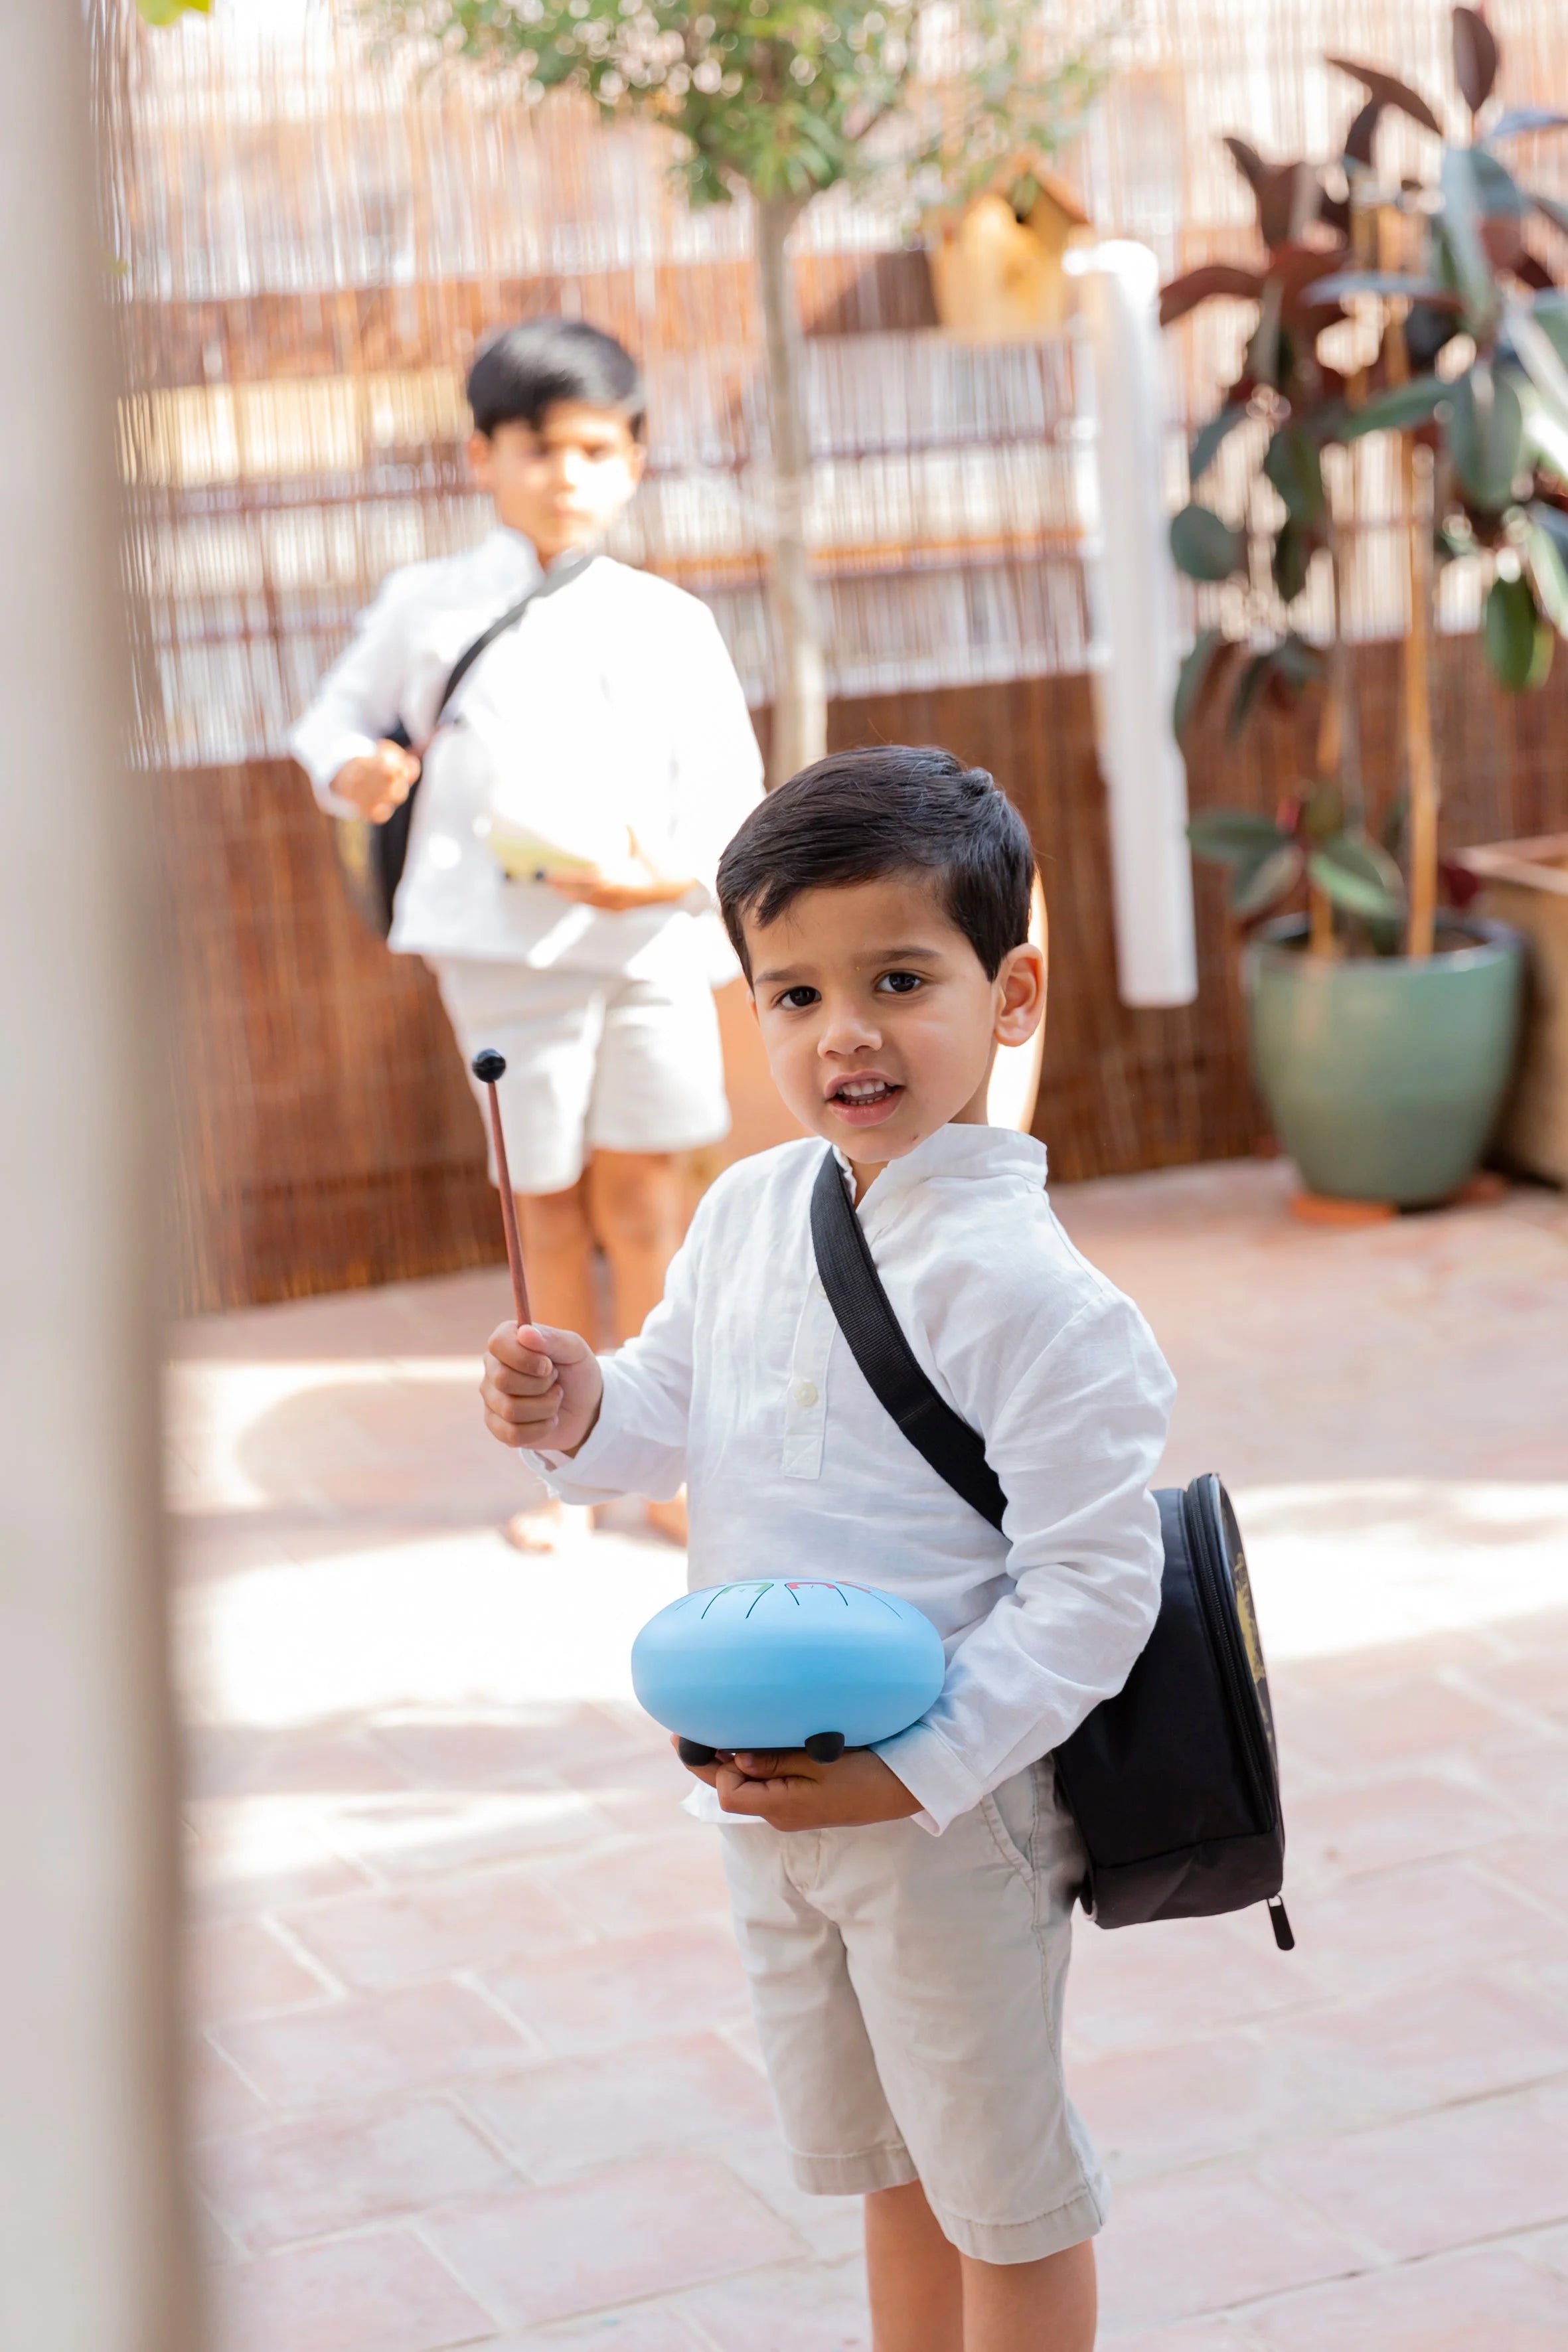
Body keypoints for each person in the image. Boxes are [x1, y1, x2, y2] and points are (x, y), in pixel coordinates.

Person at [479, 746, 1175, 2351]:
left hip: (950, 1815)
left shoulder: (1043, 1298)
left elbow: (1095, 1584)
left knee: (1003, 2191)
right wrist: (575, 1399)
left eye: (897, 979)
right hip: (769, 1805)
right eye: (792, 993)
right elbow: (665, 1411)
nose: (842, 1030)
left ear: (1009, 995)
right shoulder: (744, 1209)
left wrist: (914, 1766)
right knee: (887, 2165)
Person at [291, 318, 763, 1548]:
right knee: (540, 1208)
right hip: (502, 960)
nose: (568, 475)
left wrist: (661, 877)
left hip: (651, 949)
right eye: (540, 448)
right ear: (481, 457)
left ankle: (662, 1456)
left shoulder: (668, 619)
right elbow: (332, 720)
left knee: (649, 1201)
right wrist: (355, 770)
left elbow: (731, 796)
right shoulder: (427, 604)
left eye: (597, 450)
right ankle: (566, 1465)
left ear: (635, 461)